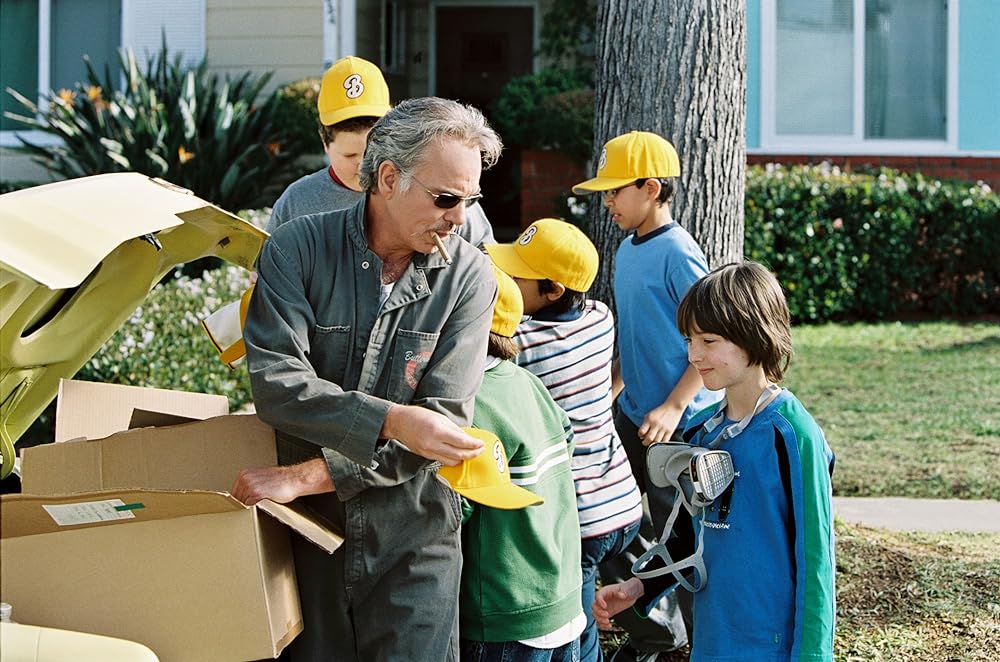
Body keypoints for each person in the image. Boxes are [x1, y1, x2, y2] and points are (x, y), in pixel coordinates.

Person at [231, 96, 503, 661]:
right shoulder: (295, 248)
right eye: (447, 199)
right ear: (387, 178)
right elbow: (278, 386)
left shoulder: (473, 278)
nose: (461, 218)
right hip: (306, 540)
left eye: (471, 200)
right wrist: (393, 419)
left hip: (414, 540)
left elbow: (442, 430)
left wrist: (309, 475)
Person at [593, 260, 837, 661]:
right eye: (689, 340)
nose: (693, 355)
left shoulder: (792, 434)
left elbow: (817, 562)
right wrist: (641, 586)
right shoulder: (702, 433)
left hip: (771, 648)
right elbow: (692, 539)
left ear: (753, 335)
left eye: (708, 341)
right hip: (712, 639)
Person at [571, 130, 722, 659]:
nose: (606, 201)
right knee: (601, 517)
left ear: (651, 188)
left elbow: (712, 339)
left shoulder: (679, 253)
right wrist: (607, 391)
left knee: (681, 538)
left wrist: (675, 404)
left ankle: (690, 644)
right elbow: (635, 336)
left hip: (677, 428)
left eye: (615, 191)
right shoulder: (627, 250)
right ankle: (655, 630)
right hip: (631, 416)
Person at [485, 218, 642, 662]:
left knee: (576, 627)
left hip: (581, 516)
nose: (508, 280)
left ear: (553, 291)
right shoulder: (600, 319)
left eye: (517, 277)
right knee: (587, 602)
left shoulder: (525, 339)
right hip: (621, 502)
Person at [459, 264, 585, 661]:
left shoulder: (469, 406)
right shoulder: (527, 382)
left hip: (505, 611)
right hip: (561, 595)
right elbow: (567, 436)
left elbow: (451, 510)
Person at [267, 55, 495, 247]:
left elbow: (487, 261)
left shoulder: (436, 192)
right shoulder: (298, 201)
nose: (363, 164)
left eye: (373, 150)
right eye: (349, 155)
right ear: (325, 143)